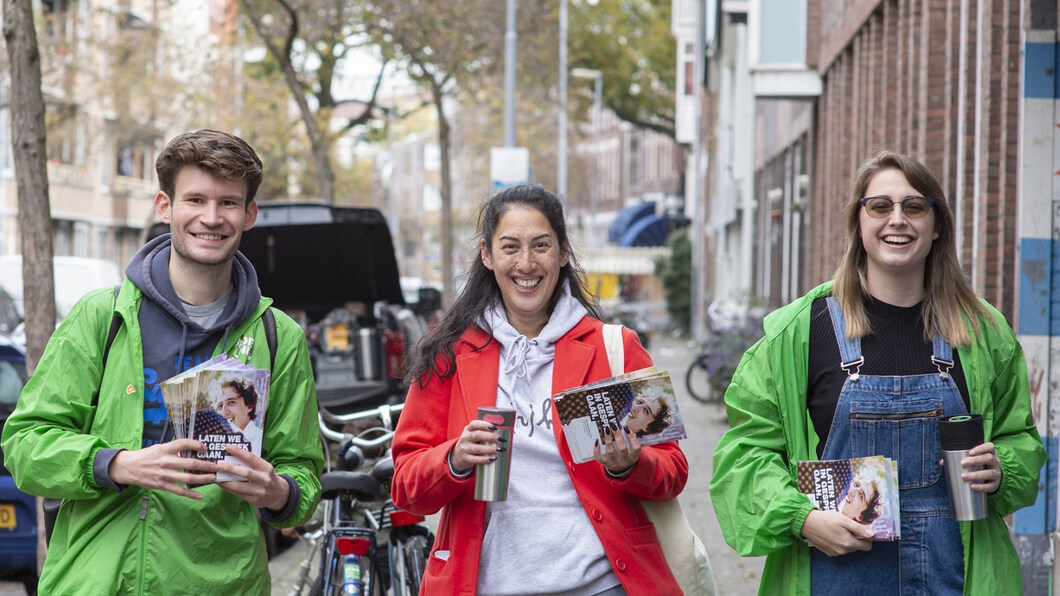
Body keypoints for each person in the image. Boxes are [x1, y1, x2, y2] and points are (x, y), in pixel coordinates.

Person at [0, 129, 323, 594]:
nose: (211, 218)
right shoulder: (101, 317)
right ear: (165, 206)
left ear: (249, 214)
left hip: (219, 584)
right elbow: (25, 444)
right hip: (96, 581)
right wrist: (117, 464)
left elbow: (303, 476)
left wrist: (279, 492)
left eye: (228, 203)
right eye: (195, 199)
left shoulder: (278, 336)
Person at [709, 150, 1045, 594]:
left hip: (954, 576)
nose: (898, 220)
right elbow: (745, 457)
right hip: (831, 575)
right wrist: (802, 518)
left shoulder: (983, 333)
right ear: (859, 223)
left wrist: (1003, 469)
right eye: (880, 206)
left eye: (914, 207)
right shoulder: (798, 333)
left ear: (937, 224)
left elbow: (1019, 438)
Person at [391, 183, 688, 596]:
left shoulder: (615, 347)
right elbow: (406, 487)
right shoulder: (450, 356)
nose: (526, 263)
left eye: (541, 246)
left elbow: (673, 471)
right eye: (510, 247)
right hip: (488, 585)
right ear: (487, 255)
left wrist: (628, 465)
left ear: (563, 252)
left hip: (603, 584)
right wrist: (454, 459)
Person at [215, 376, 263, 447]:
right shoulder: (215, 440)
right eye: (220, 406)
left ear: (249, 406)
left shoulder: (260, 439)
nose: (224, 412)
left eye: (231, 402)